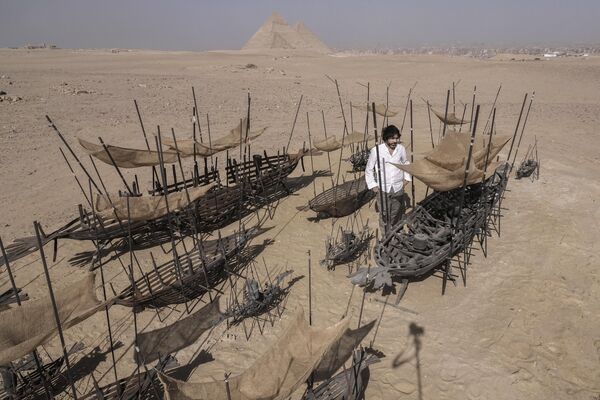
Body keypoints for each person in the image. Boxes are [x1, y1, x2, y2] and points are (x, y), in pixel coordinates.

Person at [365, 124, 411, 232]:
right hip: (383, 188)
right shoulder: (376, 150)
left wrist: (407, 178)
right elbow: (369, 169)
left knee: (396, 211)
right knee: (384, 213)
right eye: (391, 138)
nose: (394, 141)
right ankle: (385, 235)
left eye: (396, 138)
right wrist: (373, 185)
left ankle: (395, 231)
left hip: (398, 186)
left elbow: (405, 162)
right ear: (386, 139)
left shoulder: (401, 149)